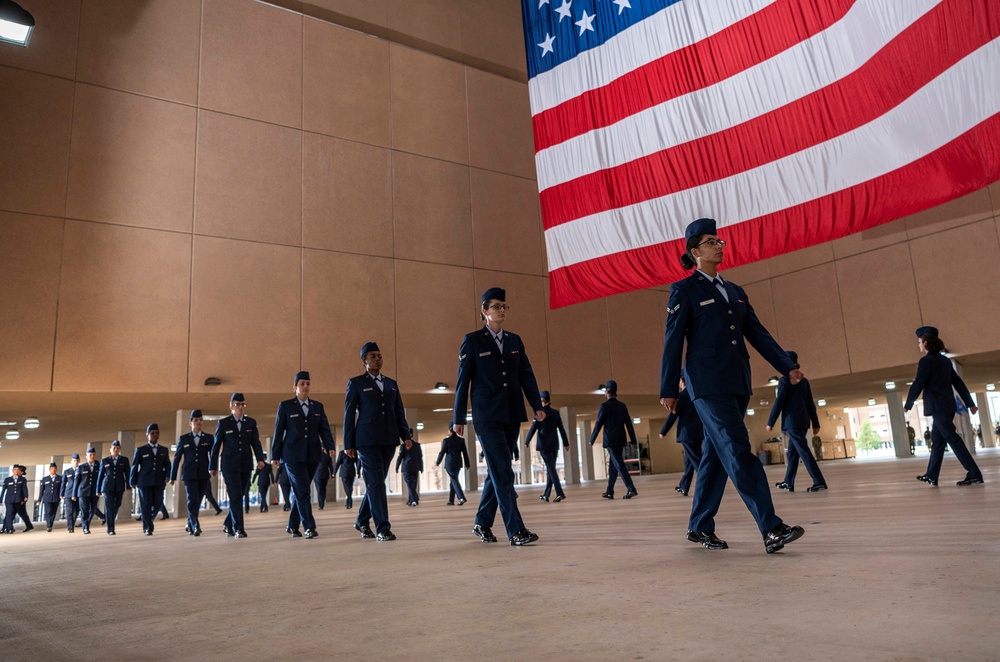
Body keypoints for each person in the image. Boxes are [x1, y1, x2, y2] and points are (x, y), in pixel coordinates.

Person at [660, 217, 805, 554]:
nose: (719, 245)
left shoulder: (735, 291)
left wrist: (787, 366)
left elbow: (758, 333)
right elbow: (672, 340)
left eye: (720, 241)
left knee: (714, 455)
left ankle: (699, 526)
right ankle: (771, 527)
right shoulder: (683, 290)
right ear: (695, 252)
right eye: (711, 242)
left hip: (737, 382)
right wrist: (668, 388)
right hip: (706, 385)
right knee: (738, 449)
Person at [453, 287, 543, 546]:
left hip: (512, 413)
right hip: (486, 416)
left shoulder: (514, 340)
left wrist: (537, 404)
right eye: (496, 307)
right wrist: (458, 417)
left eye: (504, 306)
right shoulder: (472, 340)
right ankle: (516, 530)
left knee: (498, 470)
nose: (501, 310)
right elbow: (463, 382)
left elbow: (526, 374)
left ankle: (482, 522)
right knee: (503, 471)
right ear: (484, 311)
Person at [344, 343, 413, 541]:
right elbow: (349, 415)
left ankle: (361, 521)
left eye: (380, 356)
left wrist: (405, 436)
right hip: (366, 440)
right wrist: (349, 443)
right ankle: (383, 528)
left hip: (389, 439)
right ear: (364, 360)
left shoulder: (391, 383)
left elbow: (399, 411)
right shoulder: (356, 383)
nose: (378, 359)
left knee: (376, 483)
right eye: (373, 356)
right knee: (375, 483)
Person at [905, 327, 984, 487]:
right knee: (938, 442)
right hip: (947, 406)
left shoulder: (926, 361)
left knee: (953, 440)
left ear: (926, 343)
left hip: (937, 407)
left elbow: (919, 382)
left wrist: (909, 403)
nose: (918, 345)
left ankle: (974, 473)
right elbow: (958, 382)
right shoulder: (945, 361)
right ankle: (932, 476)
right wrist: (970, 403)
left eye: (919, 342)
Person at [272, 372, 336, 540]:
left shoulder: (317, 406)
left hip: (313, 455)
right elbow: (278, 431)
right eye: (302, 383)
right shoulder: (285, 406)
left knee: (301, 492)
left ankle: (292, 525)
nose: (306, 386)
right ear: (295, 387)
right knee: (302, 490)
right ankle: (309, 526)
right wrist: (275, 455)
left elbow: (324, 428)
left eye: (308, 383)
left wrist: (330, 446)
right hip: (292, 455)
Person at [767, 351, 827, 493]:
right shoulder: (804, 382)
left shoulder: (784, 380)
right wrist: (815, 422)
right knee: (793, 454)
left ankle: (819, 481)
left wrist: (771, 422)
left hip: (792, 423)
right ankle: (788, 482)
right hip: (803, 421)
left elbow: (779, 402)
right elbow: (809, 403)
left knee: (804, 451)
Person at [212, 394, 265, 538]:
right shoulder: (223, 423)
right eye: (237, 404)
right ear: (231, 407)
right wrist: (213, 466)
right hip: (229, 465)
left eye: (243, 404)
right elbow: (216, 446)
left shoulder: (250, 423)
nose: (240, 407)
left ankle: (228, 524)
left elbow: (256, 443)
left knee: (240, 495)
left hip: (246, 464)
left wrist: (260, 459)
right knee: (235, 496)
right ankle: (239, 528)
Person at [589, 380, 639, 500]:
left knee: (619, 464)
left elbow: (598, 424)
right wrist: (633, 441)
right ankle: (609, 491)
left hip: (610, 441)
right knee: (613, 466)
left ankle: (631, 488)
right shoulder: (622, 406)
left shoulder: (604, 406)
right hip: (620, 440)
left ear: (607, 392)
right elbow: (629, 424)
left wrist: (592, 439)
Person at [171, 410, 215, 536]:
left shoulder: (209, 438)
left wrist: (213, 468)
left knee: (198, 499)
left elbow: (213, 455)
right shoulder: (184, 439)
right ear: (190, 423)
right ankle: (195, 526)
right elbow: (177, 458)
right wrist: (173, 476)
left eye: (200, 420)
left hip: (203, 474)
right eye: (196, 420)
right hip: (189, 474)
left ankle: (190, 522)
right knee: (191, 499)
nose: (198, 422)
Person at [659, 376, 704, 497]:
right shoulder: (696, 394)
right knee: (689, 461)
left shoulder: (682, 396)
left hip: (686, 433)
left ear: (682, 381)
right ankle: (684, 487)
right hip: (698, 433)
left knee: (697, 460)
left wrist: (663, 431)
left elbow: (673, 415)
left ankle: (709, 484)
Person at [525, 390, 571, 502]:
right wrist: (566, 442)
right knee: (551, 469)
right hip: (554, 445)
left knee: (551, 469)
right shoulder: (555, 413)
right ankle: (546, 494)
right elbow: (561, 428)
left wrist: (527, 441)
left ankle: (560, 493)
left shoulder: (539, 413)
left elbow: (533, 428)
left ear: (541, 401)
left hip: (544, 446)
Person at [129, 424, 171, 536]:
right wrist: (132, 481)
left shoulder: (164, 450)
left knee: (158, 503)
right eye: (152, 433)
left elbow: (167, 464)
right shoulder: (140, 450)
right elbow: (134, 466)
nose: (155, 435)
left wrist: (168, 475)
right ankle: (148, 527)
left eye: (157, 433)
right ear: (147, 435)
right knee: (145, 504)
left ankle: (148, 519)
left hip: (159, 481)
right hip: (144, 482)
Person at [97, 440, 130, 536]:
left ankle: (108, 518)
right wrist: (98, 489)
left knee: (117, 504)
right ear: (110, 449)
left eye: (117, 448)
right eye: (114, 448)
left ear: (120, 449)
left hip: (119, 486)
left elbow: (127, 474)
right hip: (107, 487)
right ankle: (110, 529)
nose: (116, 450)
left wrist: (128, 485)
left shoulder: (124, 460)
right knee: (109, 506)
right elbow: (100, 476)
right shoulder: (105, 460)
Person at [437, 423, 470, 506]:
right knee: (453, 480)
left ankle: (461, 497)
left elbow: (442, 452)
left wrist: (438, 462)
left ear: (449, 430)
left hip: (449, 463)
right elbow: (465, 453)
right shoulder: (461, 440)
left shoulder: (446, 441)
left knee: (454, 480)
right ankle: (451, 500)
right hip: (458, 462)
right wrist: (467, 463)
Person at [73, 447, 101, 534]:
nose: (92, 456)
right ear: (86, 456)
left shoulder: (99, 465)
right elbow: (76, 481)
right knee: (84, 511)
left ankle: (86, 524)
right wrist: (74, 494)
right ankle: (85, 528)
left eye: (93, 454)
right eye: (90, 455)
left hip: (94, 492)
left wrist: (100, 490)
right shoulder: (81, 467)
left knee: (92, 510)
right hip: (83, 492)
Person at [1, 465, 32, 533]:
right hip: (9, 500)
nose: (16, 471)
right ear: (12, 470)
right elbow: (3, 490)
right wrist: (0, 500)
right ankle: (9, 528)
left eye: (18, 470)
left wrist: (26, 497)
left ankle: (29, 525)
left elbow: (24, 489)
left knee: (21, 513)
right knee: (9, 514)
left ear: (19, 471)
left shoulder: (22, 479)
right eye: (15, 469)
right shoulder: (7, 479)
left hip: (18, 500)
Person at [396, 434, 423, 507]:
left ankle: (414, 499)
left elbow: (400, 457)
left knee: (410, 485)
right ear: (412, 435)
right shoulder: (417, 445)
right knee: (413, 485)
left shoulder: (403, 446)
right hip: (415, 467)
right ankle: (410, 500)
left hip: (406, 468)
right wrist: (421, 467)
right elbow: (420, 457)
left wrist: (397, 466)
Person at [37, 462, 62, 532]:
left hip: (56, 498)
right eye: (51, 468)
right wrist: (39, 499)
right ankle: (48, 525)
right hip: (47, 498)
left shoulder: (60, 478)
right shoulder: (45, 479)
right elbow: (41, 490)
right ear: (49, 469)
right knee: (48, 512)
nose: (53, 470)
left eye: (54, 468)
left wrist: (61, 495)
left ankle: (50, 524)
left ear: (56, 469)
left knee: (53, 512)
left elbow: (61, 488)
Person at [60, 454, 80, 533]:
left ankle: (72, 524)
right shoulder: (67, 471)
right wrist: (61, 493)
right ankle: (70, 527)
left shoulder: (81, 470)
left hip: (78, 494)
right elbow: (63, 483)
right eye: (74, 461)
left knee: (76, 511)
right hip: (68, 494)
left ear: (79, 461)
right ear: (71, 462)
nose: (76, 462)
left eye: (77, 461)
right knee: (69, 511)